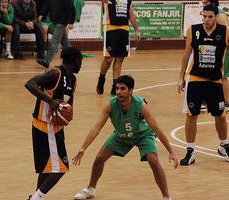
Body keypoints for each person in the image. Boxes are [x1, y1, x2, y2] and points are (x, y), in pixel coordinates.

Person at [73, 75, 178, 200]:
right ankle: (90, 189)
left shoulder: (140, 105)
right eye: (117, 88)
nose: (118, 92)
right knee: (100, 158)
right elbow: (96, 127)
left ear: (131, 90)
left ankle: (166, 197)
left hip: (142, 135)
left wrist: (171, 151)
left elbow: (156, 128)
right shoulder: (111, 105)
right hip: (121, 135)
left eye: (123, 89)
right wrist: (83, 148)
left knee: (153, 161)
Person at [24, 47, 83, 200]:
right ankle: (35, 199)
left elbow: (69, 104)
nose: (81, 64)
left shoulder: (73, 80)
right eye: (81, 60)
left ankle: (36, 197)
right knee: (60, 169)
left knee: (47, 168)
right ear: (75, 60)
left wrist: (67, 115)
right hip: (45, 126)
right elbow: (30, 83)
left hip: (55, 127)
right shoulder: (55, 73)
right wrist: (50, 101)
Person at [177, 4, 229, 166]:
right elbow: (186, 55)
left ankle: (223, 145)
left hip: (214, 80)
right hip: (195, 79)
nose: (206, 20)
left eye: (210, 17)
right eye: (204, 16)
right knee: (192, 115)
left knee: (220, 115)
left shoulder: (225, 32)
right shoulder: (193, 30)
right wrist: (180, 78)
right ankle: (190, 150)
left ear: (216, 16)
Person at [96, 0, 140, 96]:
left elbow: (130, 12)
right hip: (110, 28)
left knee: (120, 59)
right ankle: (101, 78)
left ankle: (115, 86)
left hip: (124, 28)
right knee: (108, 59)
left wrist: (136, 30)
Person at [201, 0, 229, 113]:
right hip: (214, 49)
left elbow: (226, 32)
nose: (203, 3)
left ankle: (227, 103)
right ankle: (207, 100)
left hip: (224, 50)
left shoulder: (220, 14)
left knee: (223, 75)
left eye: (206, 1)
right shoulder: (210, 13)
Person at [36, 0, 75, 68]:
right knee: (65, 43)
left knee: (54, 41)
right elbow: (47, 5)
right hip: (56, 20)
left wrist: (71, 21)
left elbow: (71, 8)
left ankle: (47, 61)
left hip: (63, 20)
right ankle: (73, 58)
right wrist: (42, 14)